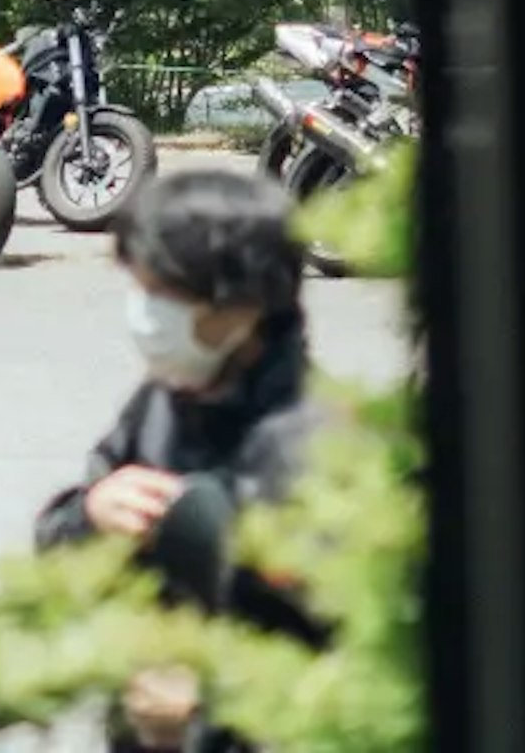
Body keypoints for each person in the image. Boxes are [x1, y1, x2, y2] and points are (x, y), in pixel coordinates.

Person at [34, 167, 331, 749]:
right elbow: (57, 546)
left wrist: (208, 714)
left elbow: (352, 667)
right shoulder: (165, 400)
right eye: (138, 287)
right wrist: (89, 516)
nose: (143, 312)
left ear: (244, 302)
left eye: (163, 294)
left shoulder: (318, 449)